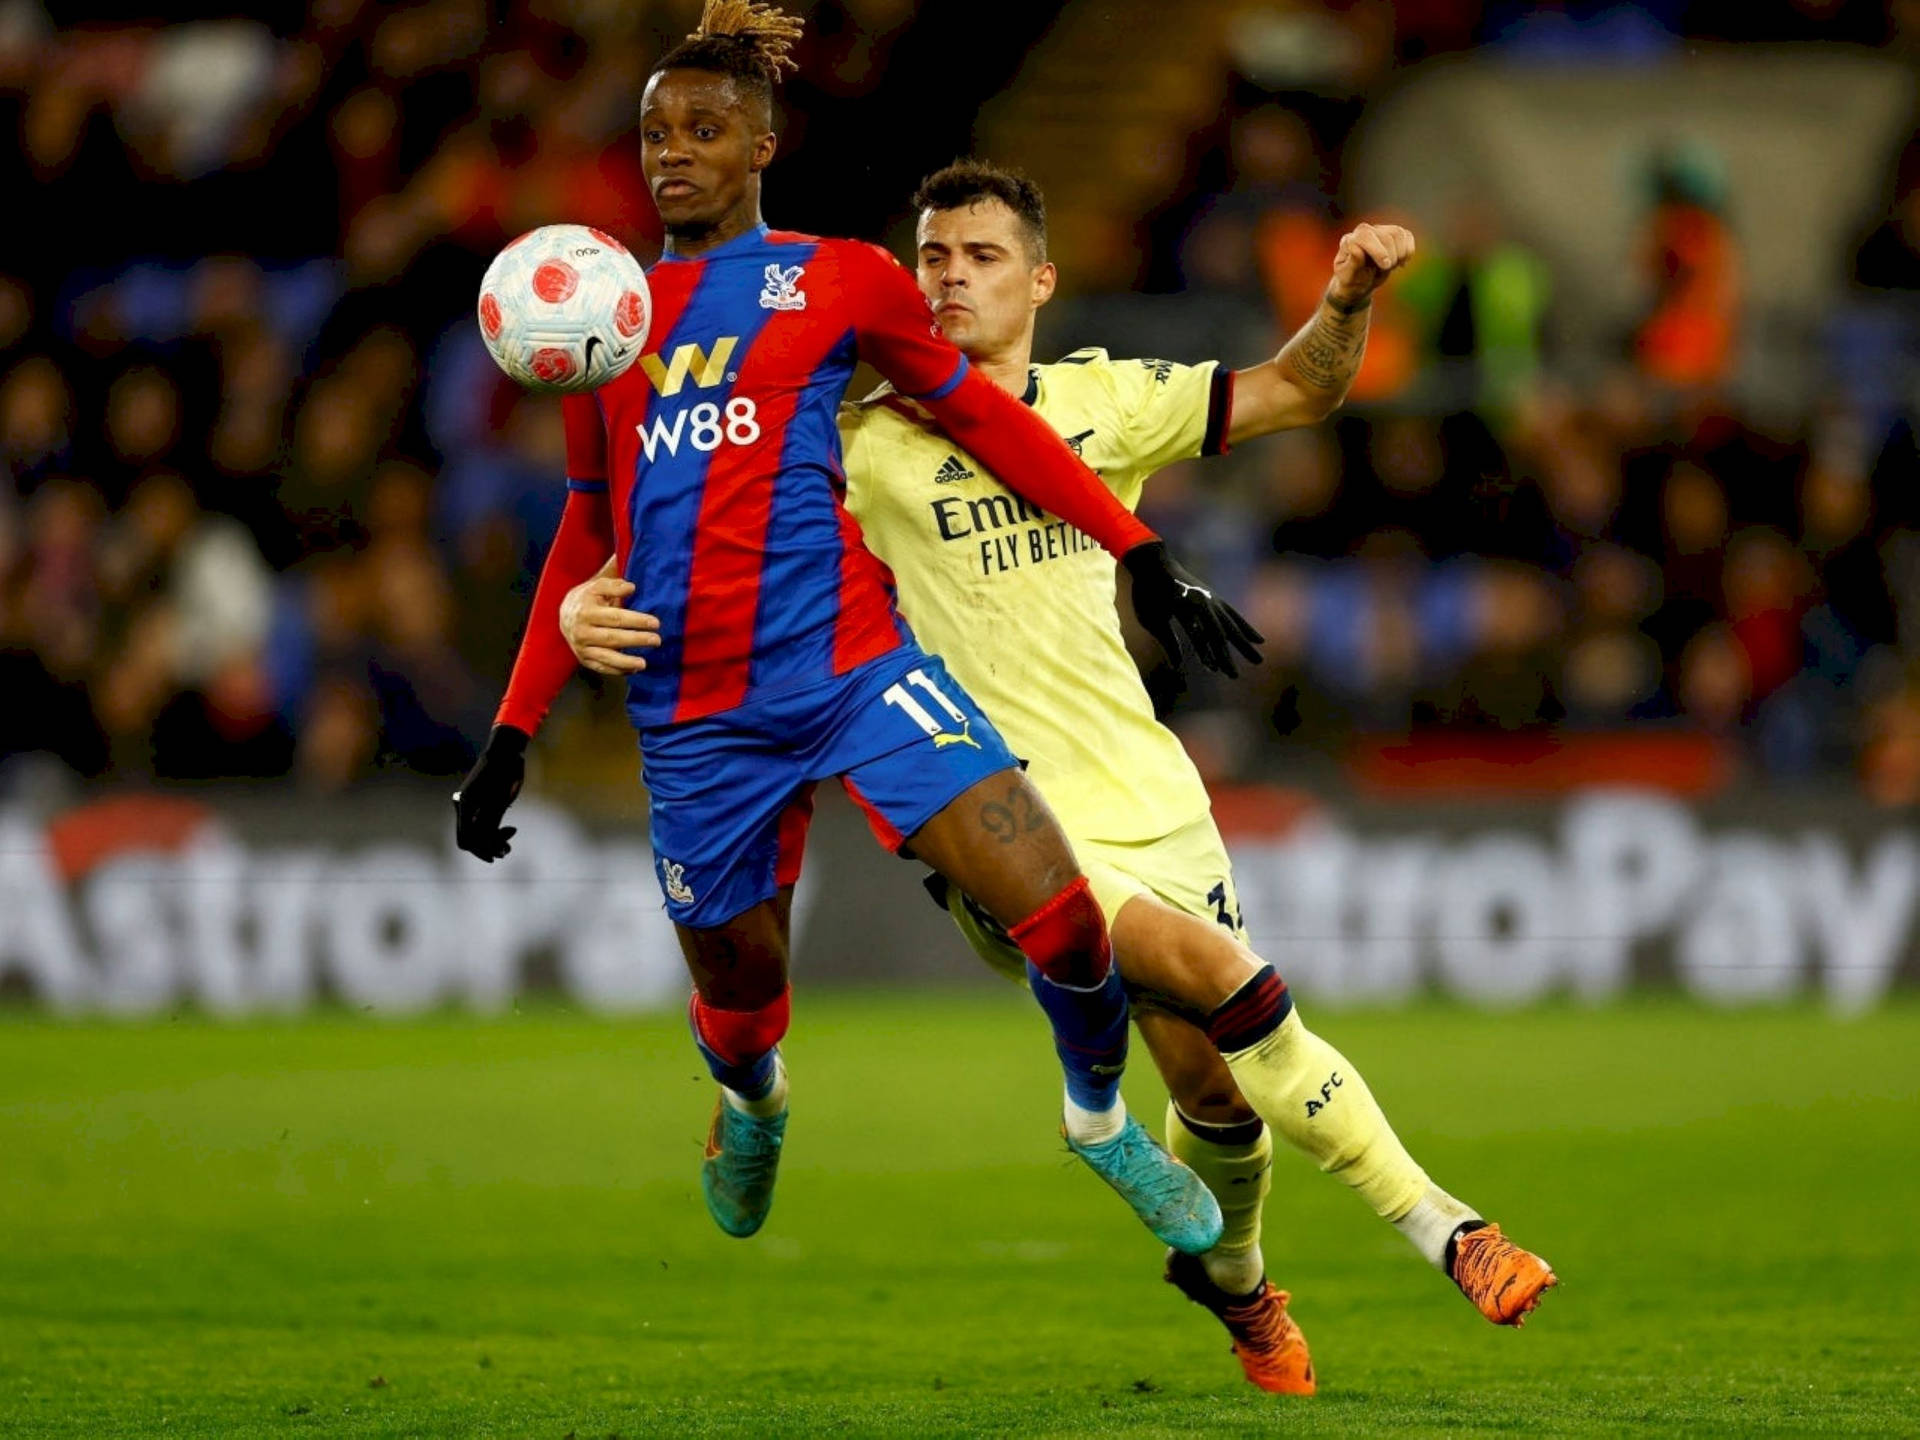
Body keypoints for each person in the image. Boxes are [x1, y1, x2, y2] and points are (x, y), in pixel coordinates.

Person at [559, 160, 1557, 1396]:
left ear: (1041, 280)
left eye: (980, 257)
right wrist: (584, 602)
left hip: (1152, 794)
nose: (950, 278)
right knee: (1225, 977)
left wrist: (1347, 298)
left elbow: (1302, 386)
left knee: (1218, 1093)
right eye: (931, 257)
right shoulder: (853, 446)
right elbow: (687, 524)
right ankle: (1450, 1230)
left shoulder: (1102, 404)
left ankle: (1238, 1288)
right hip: (1000, 813)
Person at [452, 3, 1263, 1260]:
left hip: (852, 670)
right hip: (698, 714)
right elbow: (587, 527)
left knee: (1059, 909)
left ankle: (1101, 1122)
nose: (672, 150)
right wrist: (513, 730)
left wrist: (1138, 545)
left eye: (705, 128)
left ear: (761, 147)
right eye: (656, 128)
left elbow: (989, 424)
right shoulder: (605, 323)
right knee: (739, 993)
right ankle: (752, 1104)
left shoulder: (840, 281)